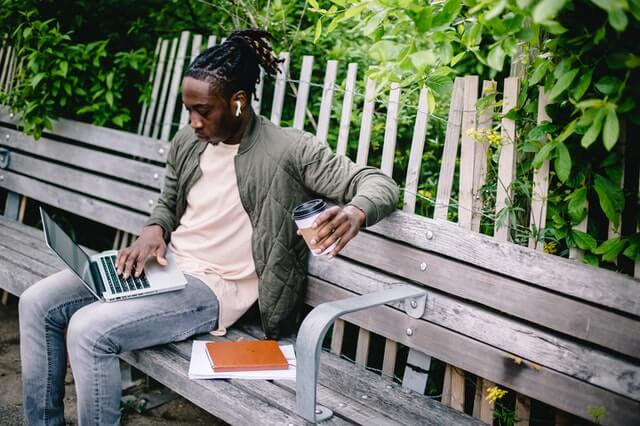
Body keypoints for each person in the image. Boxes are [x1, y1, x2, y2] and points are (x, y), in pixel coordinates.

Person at [18, 29, 398, 425]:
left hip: (214, 288)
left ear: (238, 102)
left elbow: (378, 184)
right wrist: (154, 229)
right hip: (167, 265)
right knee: (37, 303)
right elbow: (167, 202)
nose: (194, 122)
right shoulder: (190, 141)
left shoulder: (289, 149)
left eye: (203, 110)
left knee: (89, 330)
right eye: (189, 111)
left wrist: (356, 212)